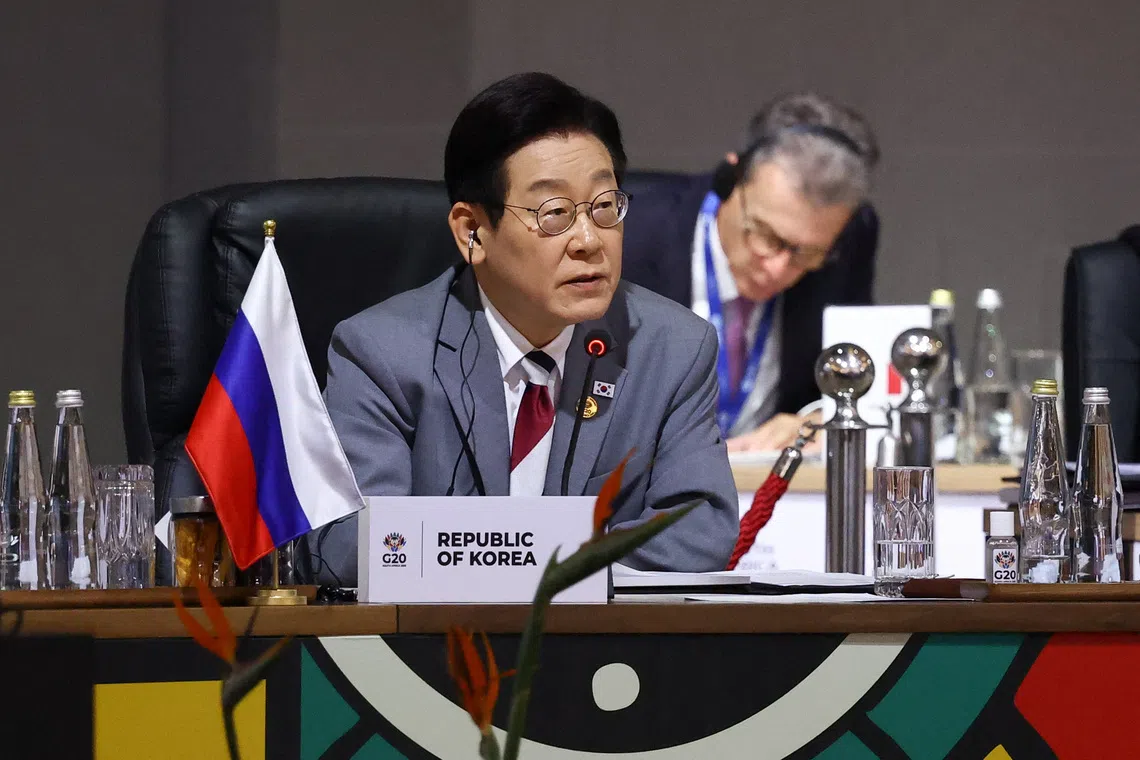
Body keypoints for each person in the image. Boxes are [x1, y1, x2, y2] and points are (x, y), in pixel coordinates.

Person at [317, 72, 739, 585]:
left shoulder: (672, 348)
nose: (588, 239)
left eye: (604, 207)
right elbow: (352, 545)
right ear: (473, 232)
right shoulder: (383, 352)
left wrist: (506, 557)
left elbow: (699, 534)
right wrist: (549, 556)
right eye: (555, 212)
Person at [622, 92, 880, 452]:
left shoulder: (848, 241)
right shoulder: (626, 235)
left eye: (807, 253)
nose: (778, 268)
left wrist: (826, 416)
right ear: (732, 179)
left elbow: (861, 373)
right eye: (767, 235)